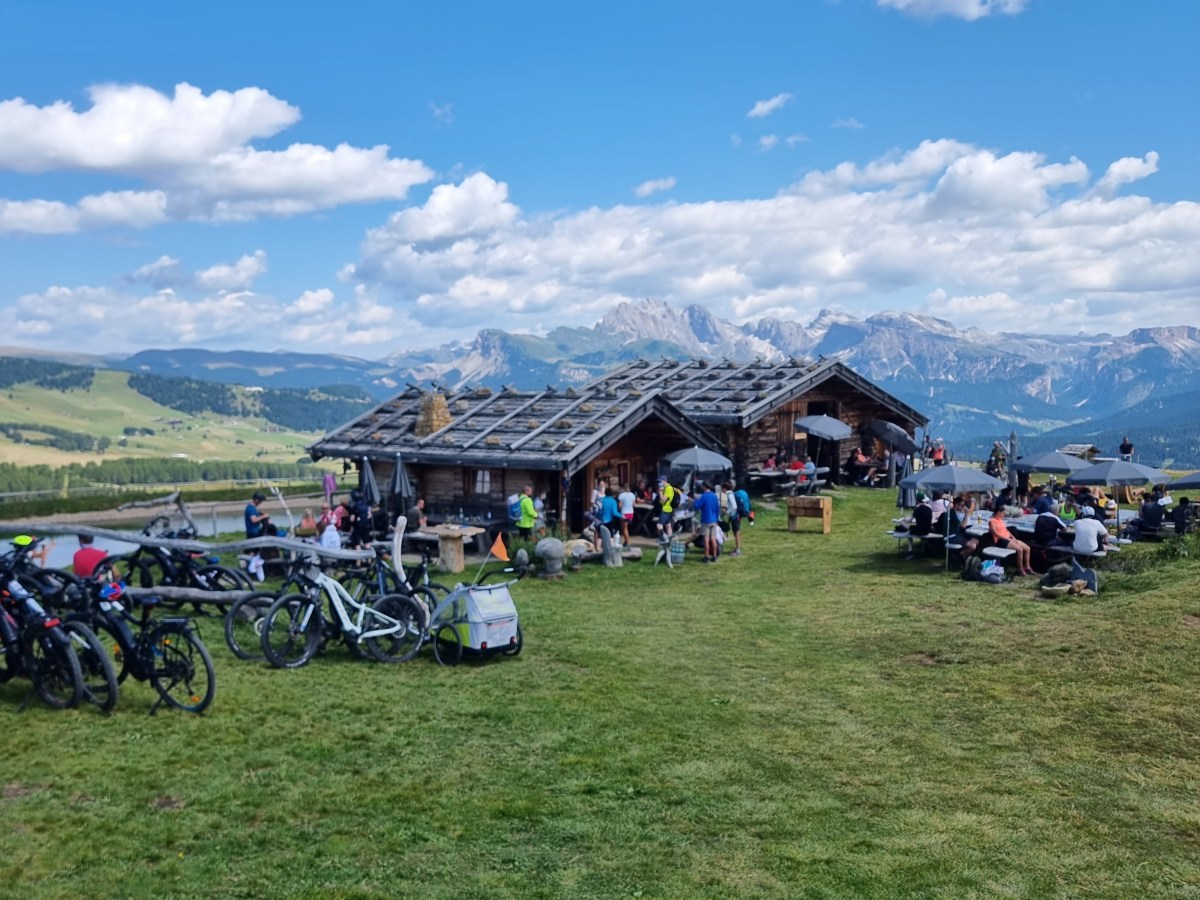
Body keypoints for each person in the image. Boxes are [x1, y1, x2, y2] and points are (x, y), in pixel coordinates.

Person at [988, 504, 1033, 576]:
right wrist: (1007, 539)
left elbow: (1006, 530)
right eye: (1003, 513)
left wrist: (1013, 537)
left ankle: (1027, 566)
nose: (1004, 514)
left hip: (1008, 538)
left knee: (1027, 548)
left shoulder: (1000, 520)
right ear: (998, 512)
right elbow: (995, 533)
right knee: (1020, 550)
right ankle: (1020, 569)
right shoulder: (992, 521)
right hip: (1001, 540)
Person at [693, 482, 721, 563]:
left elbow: (696, 506)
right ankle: (715, 556)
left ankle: (706, 556)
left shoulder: (703, 496)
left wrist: (696, 499)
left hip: (705, 520)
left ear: (704, 487)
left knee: (706, 538)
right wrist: (717, 519)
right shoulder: (714, 496)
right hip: (714, 520)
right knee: (713, 538)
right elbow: (717, 509)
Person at [244, 490, 270, 582]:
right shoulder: (251, 508)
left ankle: (252, 571)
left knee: (254, 552)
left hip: (254, 531)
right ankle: (252, 571)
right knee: (254, 552)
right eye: (260, 501)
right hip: (253, 532)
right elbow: (253, 520)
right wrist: (264, 516)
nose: (260, 503)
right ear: (256, 500)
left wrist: (261, 514)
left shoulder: (253, 508)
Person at [721, 480, 743, 557]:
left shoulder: (729, 494)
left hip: (735, 516)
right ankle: (738, 548)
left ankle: (738, 551)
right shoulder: (731, 493)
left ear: (724, 488)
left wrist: (727, 512)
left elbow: (734, 506)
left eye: (722, 488)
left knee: (736, 533)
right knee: (736, 532)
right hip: (736, 516)